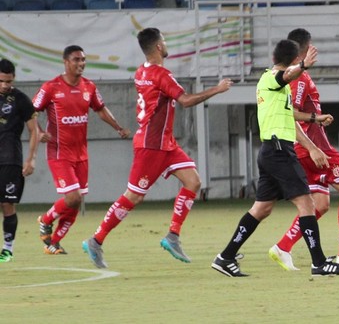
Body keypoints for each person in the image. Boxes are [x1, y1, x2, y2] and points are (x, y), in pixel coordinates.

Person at [82, 28, 233, 269]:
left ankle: (172, 236)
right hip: (151, 146)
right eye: (164, 40)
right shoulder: (161, 75)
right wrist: (217, 89)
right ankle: (96, 240)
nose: (166, 43)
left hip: (166, 143)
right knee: (134, 196)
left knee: (193, 181)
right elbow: (184, 101)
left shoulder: (142, 71)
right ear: (158, 47)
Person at [211, 39, 339, 277]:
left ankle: (225, 257)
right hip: (278, 151)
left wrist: (313, 129)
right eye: (299, 60)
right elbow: (283, 78)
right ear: (295, 60)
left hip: (272, 150)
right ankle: (318, 263)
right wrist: (304, 67)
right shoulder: (272, 79)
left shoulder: (277, 86)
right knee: (308, 204)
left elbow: (289, 121)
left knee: (262, 208)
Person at [268, 28, 339, 271]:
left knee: (320, 205)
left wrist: (315, 117)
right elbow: (288, 113)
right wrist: (313, 143)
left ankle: (283, 246)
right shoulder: (298, 78)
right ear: (305, 50)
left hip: (306, 147)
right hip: (313, 148)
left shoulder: (292, 77)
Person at [33, 45, 130, 255]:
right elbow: (31, 113)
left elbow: (101, 109)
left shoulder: (89, 87)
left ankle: (54, 242)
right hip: (59, 154)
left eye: (83, 60)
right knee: (73, 198)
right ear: (66, 62)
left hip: (81, 154)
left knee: (76, 203)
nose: (81, 64)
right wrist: (39, 132)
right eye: (77, 60)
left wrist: (118, 127)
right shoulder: (51, 87)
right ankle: (46, 219)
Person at [0, 59, 40, 262]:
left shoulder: (21, 100)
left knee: (7, 205)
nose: (5, 85)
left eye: (8, 81)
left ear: (13, 77)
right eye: (1, 81)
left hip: (10, 159)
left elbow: (35, 131)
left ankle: (7, 249)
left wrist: (31, 159)